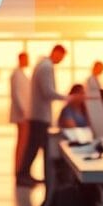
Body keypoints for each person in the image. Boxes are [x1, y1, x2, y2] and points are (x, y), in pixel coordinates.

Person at [17, 44, 70, 186]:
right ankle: (23, 175)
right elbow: (48, 92)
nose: (61, 60)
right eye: (62, 57)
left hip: (38, 114)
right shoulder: (46, 67)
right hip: (40, 116)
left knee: (34, 146)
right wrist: (66, 98)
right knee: (33, 147)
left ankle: (25, 174)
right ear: (56, 53)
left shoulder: (42, 65)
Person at [10, 52, 31, 182]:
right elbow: (17, 94)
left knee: (23, 142)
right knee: (22, 142)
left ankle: (20, 168)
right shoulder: (16, 74)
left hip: (24, 112)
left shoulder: (21, 73)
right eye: (26, 59)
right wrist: (23, 110)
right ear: (21, 59)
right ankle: (19, 169)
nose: (28, 61)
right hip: (22, 113)